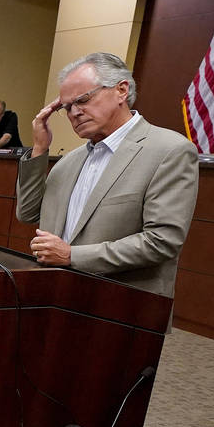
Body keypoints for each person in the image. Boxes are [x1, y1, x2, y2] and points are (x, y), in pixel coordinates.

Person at [16, 52, 198, 299]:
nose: (74, 113)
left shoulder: (169, 150)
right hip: (58, 295)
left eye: (83, 100)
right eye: (67, 107)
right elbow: (27, 212)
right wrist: (39, 148)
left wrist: (72, 256)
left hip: (121, 304)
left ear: (121, 90)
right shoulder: (70, 161)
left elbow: (162, 241)